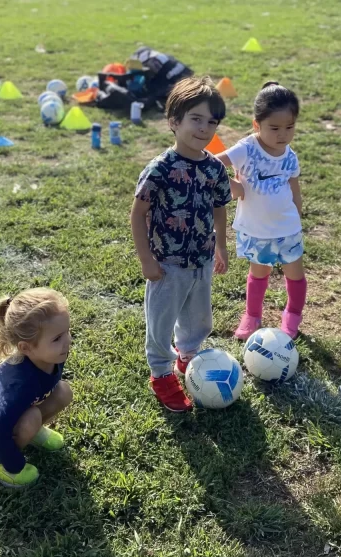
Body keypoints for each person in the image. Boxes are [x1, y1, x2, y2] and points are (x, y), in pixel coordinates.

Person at [130, 76, 233, 412]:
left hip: (201, 260)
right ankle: (161, 375)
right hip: (167, 264)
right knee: (161, 324)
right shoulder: (160, 169)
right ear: (174, 122)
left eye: (211, 122)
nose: (204, 128)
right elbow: (138, 213)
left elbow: (219, 206)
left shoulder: (215, 169)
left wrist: (221, 246)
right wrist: (147, 260)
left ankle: (186, 358)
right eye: (196, 119)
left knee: (199, 320)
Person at [216, 81, 306, 340]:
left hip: (287, 228)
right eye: (274, 128)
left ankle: (292, 316)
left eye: (289, 127)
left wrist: (297, 216)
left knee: (295, 274)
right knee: (259, 273)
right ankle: (252, 315)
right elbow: (211, 164)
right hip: (257, 229)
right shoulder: (247, 148)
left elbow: (294, 188)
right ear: (257, 125)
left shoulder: (290, 156)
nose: (283, 134)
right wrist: (233, 184)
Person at [0, 288, 72, 487]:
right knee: (30, 417)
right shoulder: (17, 384)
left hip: (8, 416)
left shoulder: (53, 356)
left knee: (63, 392)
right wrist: (15, 463)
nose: (67, 342)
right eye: (57, 338)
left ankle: (32, 431)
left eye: (67, 332)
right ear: (26, 348)